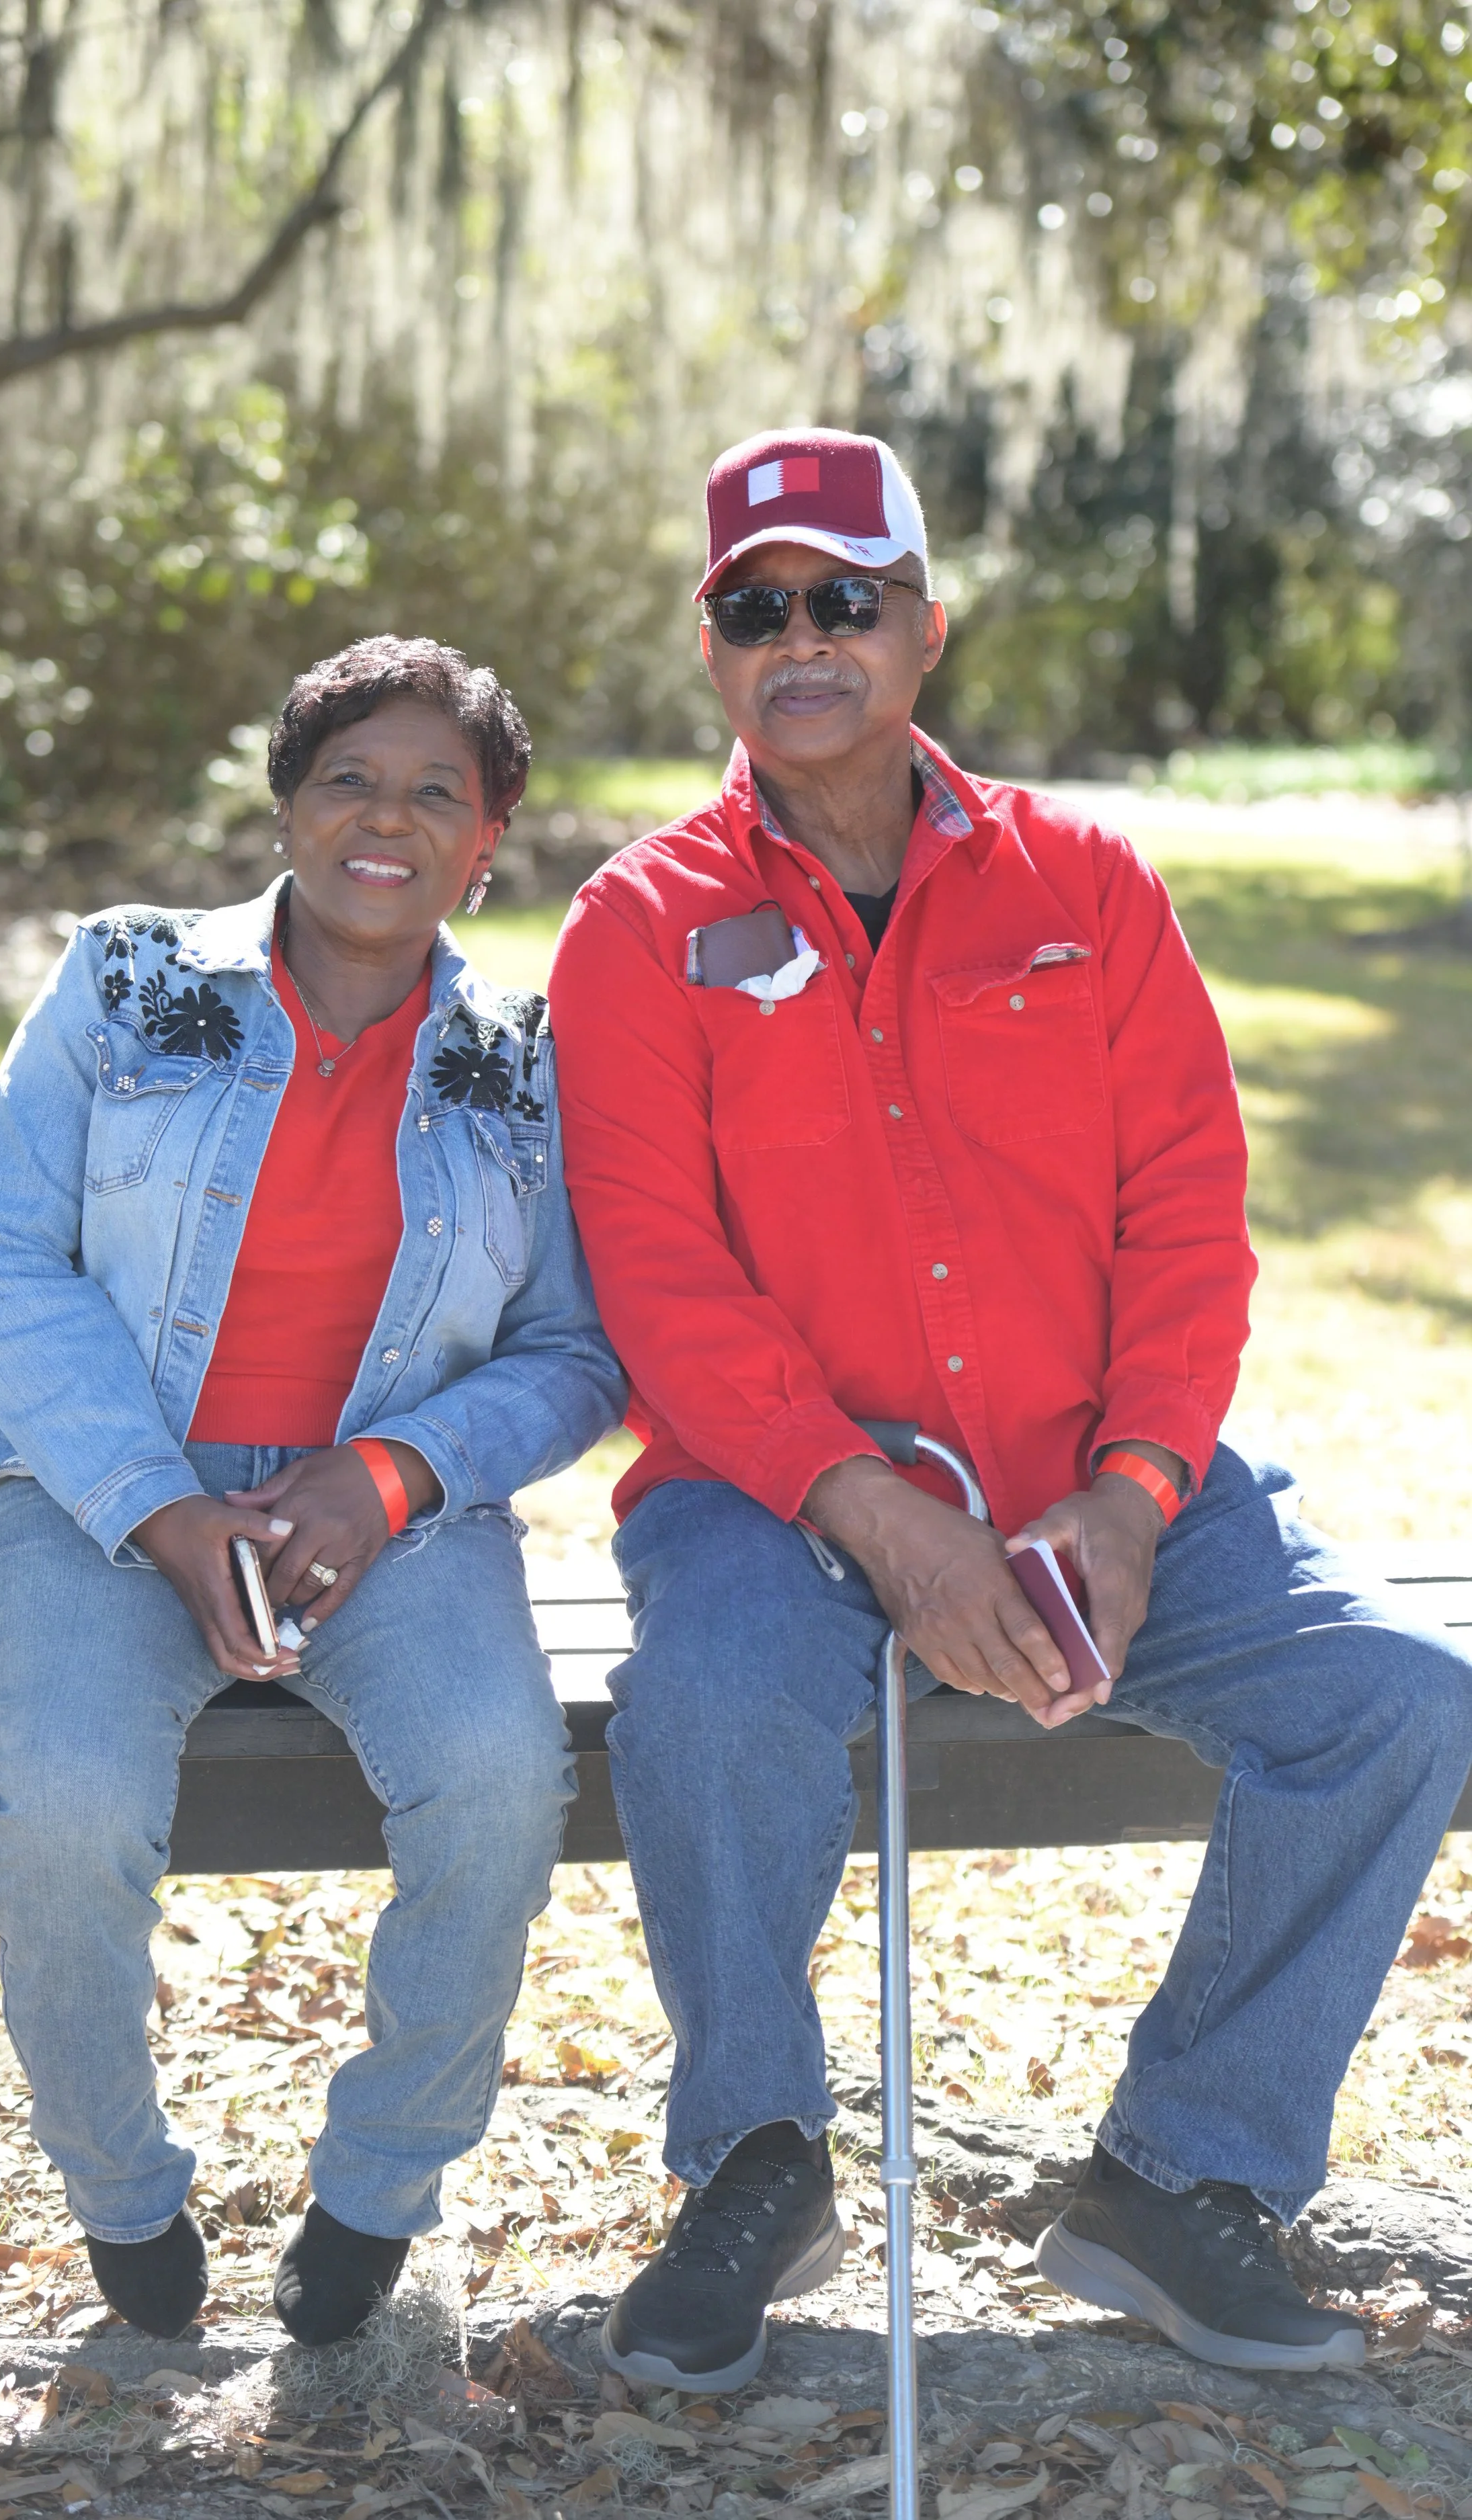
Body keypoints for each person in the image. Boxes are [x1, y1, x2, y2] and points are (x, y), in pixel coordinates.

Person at [546, 428, 1472, 2391]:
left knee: (1394, 1692)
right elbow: (657, 1277)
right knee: (709, 1693)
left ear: (923, 626)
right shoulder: (638, 926)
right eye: (753, 607)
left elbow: (1189, 1212)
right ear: (711, 651)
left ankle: (1173, 2170)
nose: (800, 637)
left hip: (1097, 1479)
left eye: (843, 598)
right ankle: (753, 2162)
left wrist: (1133, 1494)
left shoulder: (1084, 881)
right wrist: (882, 1517)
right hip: (773, 1498)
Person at [0, 634, 625, 2345]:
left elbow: (576, 1352)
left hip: (389, 1521)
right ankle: (117, 2189)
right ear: (288, 802)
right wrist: (163, 1510)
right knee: (74, 1804)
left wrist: (391, 1476)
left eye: (434, 796)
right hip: (90, 1500)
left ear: (491, 836)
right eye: (348, 781)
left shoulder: (524, 1063)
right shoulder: (126, 981)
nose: (384, 822)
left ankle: (382, 2183)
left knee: (494, 1775)